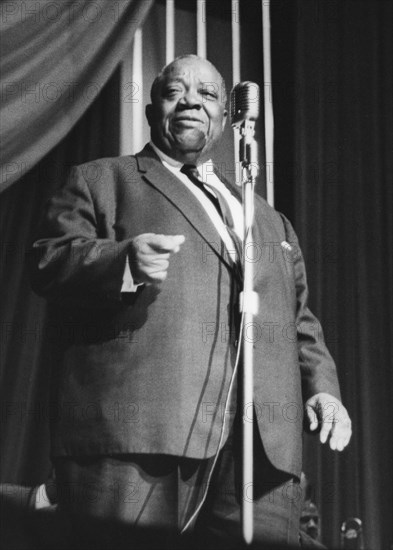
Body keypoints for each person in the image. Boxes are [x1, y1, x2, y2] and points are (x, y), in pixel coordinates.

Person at [31, 55, 352, 547]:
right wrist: (121, 261)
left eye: (207, 95)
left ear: (225, 118)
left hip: (261, 456)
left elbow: (299, 318)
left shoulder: (268, 219)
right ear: (151, 107)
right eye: (175, 91)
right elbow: (49, 261)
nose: (191, 102)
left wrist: (323, 387)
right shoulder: (102, 180)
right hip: (143, 436)